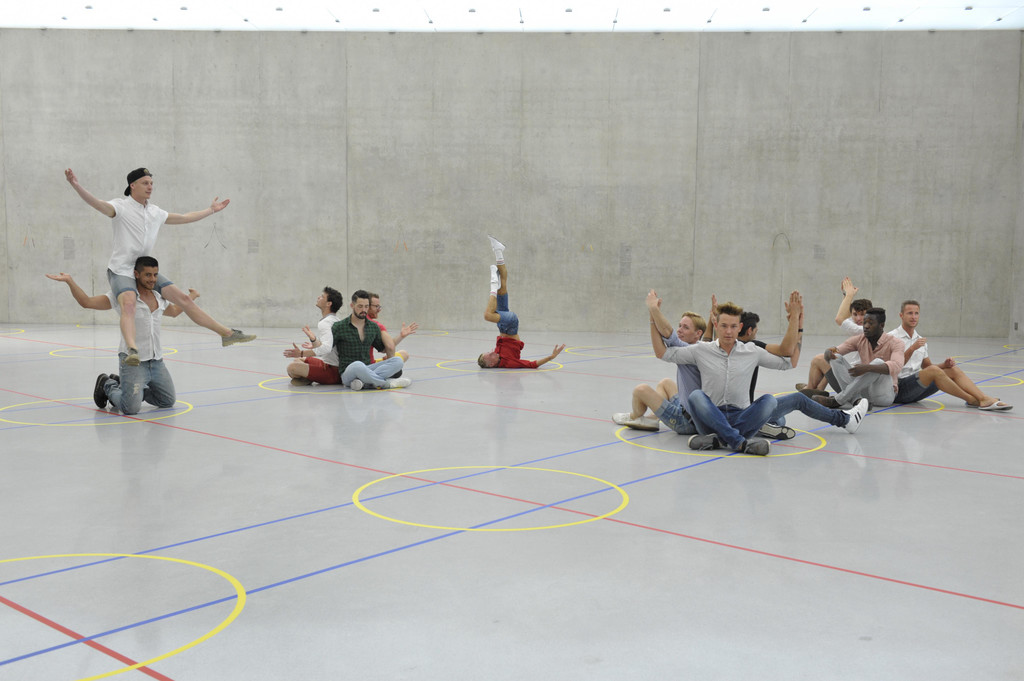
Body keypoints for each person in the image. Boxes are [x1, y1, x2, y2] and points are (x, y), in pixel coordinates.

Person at [64, 167, 255, 367]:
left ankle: (227, 334)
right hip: (121, 269)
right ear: (132, 185)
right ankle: (132, 350)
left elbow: (184, 217)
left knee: (183, 299)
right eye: (145, 183)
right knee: (128, 304)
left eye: (151, 183)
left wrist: (211, 210)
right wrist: (76, 185)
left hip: (143, 269)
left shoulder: (155, 212)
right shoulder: (120, 207)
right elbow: (97, 203)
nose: (150, 187)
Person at [46, 257, 189, 415]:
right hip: (133, 362)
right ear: (136, 274)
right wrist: (69, 281)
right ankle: (107, 385)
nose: (153, 279)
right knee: (130, 409)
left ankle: (127, 389)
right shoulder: (122, 297)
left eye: (155, 275)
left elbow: (175, 311)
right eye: (148, 275)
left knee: (167, 400)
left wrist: (191, 298)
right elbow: (86, 302)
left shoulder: (159, 297)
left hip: (156, 362)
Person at [659, 302, 795, 456]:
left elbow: (788, 362)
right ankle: (740, 442)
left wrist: (797, 322)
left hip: (739, 415)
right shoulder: (702, 349)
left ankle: (719, 440)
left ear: (740, 327)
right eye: (724, 326)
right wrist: (652, 315)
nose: (728, 331)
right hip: (711, 418)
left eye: (733, 326)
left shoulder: (752, 350)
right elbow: (664, 352)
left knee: (770, 401)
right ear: (716, 325)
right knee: (696, 396)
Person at [611, 290, 706, 433]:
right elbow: (662, 346)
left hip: (686, 422)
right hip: (688, 410)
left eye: (685, 327)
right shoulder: (701, 347)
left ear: (698, 334)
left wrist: (653, 309)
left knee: (641, 390)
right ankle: (653, 419)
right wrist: (652, 316)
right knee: (665, 383)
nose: (680, 330)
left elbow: (668, 334)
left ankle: (634, 416)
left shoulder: (691, 351)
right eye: (680, 325)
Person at [889, 300, 1011, 410]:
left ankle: (982, 397)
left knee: (952, 369)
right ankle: (972, 400)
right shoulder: (892, 337)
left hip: (916, 388)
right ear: (901, 315)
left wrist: (944, 365)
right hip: (899, 389)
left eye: (916, 313)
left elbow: (927, 367)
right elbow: (893, 367)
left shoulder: (920, 339)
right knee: (934, 371)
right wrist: (912, 348)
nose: (914, 317)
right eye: (910, 313)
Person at [477, 237, 566, 369]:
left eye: (488, 352)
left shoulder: (496, 357)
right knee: (487, 315)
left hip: (502, 327)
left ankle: (498, 251)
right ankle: (493, 284)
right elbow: (532, 364)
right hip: (511, 324)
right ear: (491, 364)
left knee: (503, 286)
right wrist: (551, 357)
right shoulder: (509, 363)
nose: (491, 351)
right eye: (490, 355)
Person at [815, 307, 904, 410]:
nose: (866, 326)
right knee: (836, 358)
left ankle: (838, 400)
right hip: (863, 391)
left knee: (878, 363)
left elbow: (897, 366)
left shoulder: (896, 343)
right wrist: (828, 353)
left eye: (870, 323)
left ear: (881, 325)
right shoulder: (860, 339)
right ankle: (857, 401)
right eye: (864, 323)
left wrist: (867, 368)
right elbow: (837, 350)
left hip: (883, 395)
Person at [798, 277, 872, 394]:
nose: (858, 318)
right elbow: (845, 316)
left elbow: (840, 319)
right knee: (833, 358)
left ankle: (809, 390)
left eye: (862, 314)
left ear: (870, 315)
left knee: (819, 359)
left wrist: (849, 295)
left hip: (858, 385)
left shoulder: (864, 330)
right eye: (855, 314)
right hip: (859, 378)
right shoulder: (867, 328)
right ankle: (817, 390)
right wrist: (846, 296)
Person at [330, 290, 412, 390]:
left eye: (366, 306)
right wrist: (314, 341)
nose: (363, 310)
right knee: (358, 365)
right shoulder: (339, 327)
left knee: (398, 361)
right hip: (349, 372)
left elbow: (384, 349)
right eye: (360, 306)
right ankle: (386, 384)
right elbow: (326, 347)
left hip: (368, 368)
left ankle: (363, 383)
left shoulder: (373, 327)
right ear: (352, 305)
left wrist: (401, 336)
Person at [282, 287, 345, 385]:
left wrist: (301, 353)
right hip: (330, 365)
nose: (318, 297)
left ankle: (309, 377)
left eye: (322, 297)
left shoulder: (325, 323)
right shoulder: (336, 320)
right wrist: (314, 339)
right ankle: (310, 376)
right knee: (298, 360)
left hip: (332, 372)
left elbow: (326, 349)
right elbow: (327, 350)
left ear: (328, 304)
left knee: (292, 368)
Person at [366, 292, 418, 365]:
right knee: (403, 355)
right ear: (367, 306)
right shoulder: (375, 325)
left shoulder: (352, 321)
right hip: (369, 367)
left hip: (351, 367)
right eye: (376, 306)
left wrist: (401, 336)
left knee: (403, 354)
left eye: (379, 306)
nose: (379, 309)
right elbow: (389, 347)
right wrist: (390, 360)